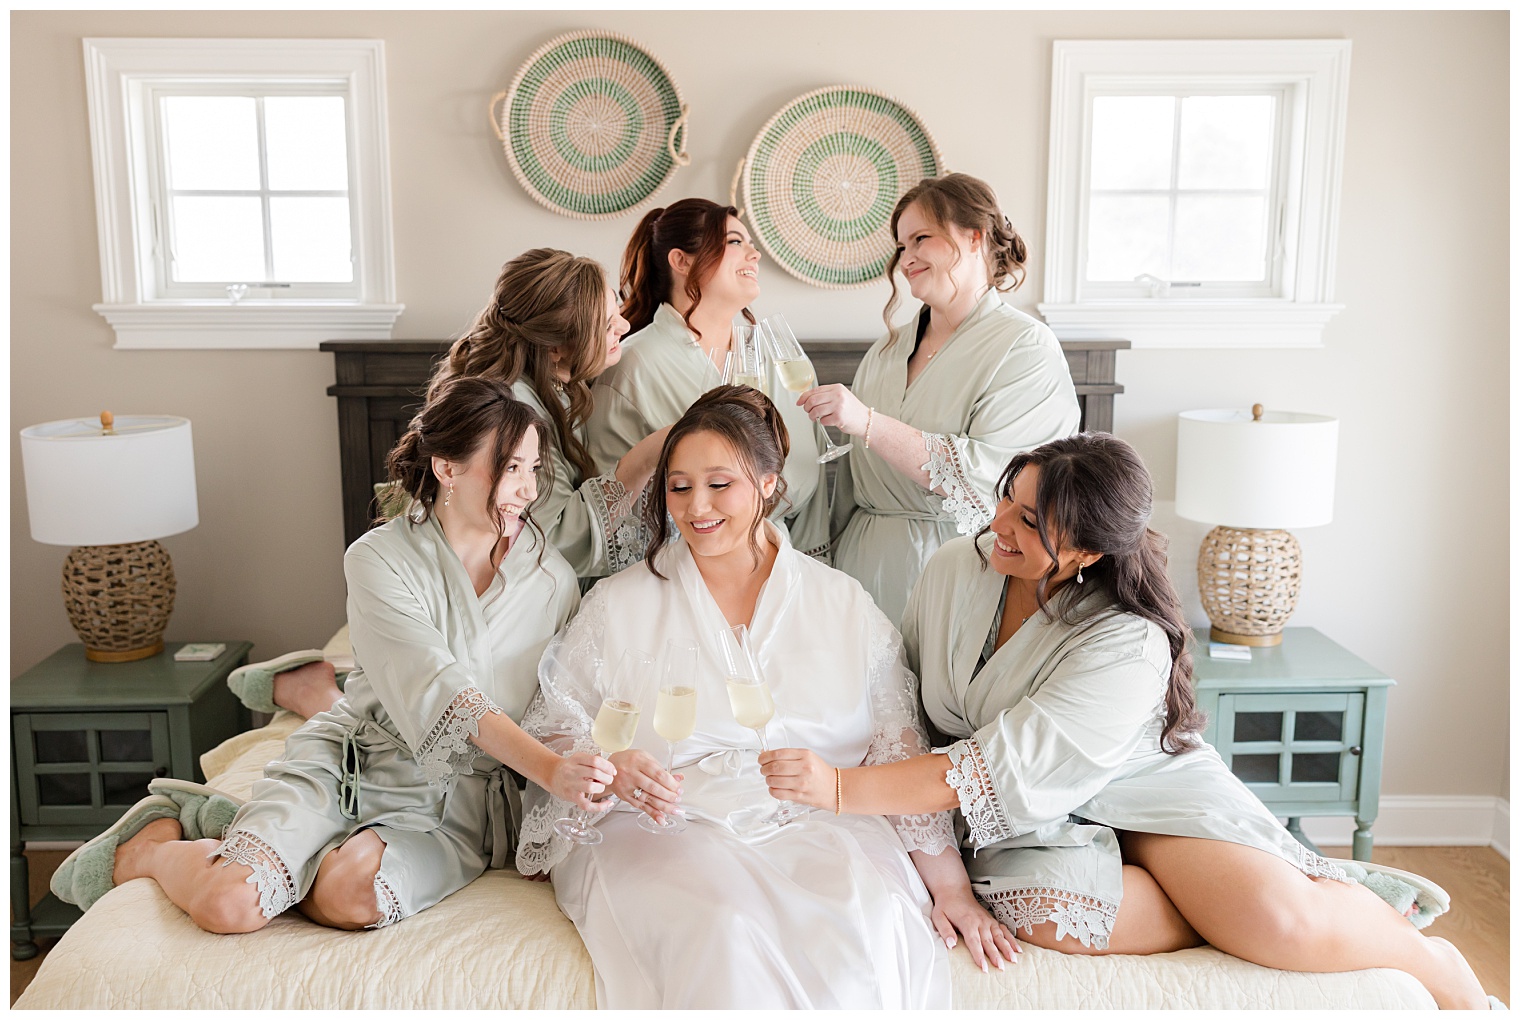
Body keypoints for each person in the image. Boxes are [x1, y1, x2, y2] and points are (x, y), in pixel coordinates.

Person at [758, 433, 1493, 1009]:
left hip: (1142, 790)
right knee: (1043, 913)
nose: (998, 525)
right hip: (1028, 804)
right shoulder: (956, 567)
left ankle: (1429, 959)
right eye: (1007, 498)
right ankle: (1221, 896)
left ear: (1086, 552)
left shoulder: (1126, 638)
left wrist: (843, 791)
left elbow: (989, 770)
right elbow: (910, 695)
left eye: (1029, 521)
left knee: (1279, 924)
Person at [51, 378, 615, 932]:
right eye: (511, 468)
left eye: (534, 469)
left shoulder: (552, 579)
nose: (528, 490)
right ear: (447, 467)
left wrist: (554, 812)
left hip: (456, 802)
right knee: (229, 905)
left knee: (349, 897)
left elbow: (557, 705)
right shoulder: (379, 558)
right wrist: (551, 770)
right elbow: (439, 686)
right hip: (357, 761)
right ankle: (154, 845)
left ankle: (260, 813)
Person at [516, 386, 1017, 1008]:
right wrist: (609, 769)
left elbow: (896, 752)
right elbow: (556, 723)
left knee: (871, 923)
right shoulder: (619, 603)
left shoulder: (842, 604)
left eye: (719, 484)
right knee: (724, 928)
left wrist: (950, 889)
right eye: (678, 487)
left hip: (818, 821)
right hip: (664, 823)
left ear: (769, 484)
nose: (696, 507)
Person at [227, 249, 670, 720]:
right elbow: (552, 539)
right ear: (557, 346)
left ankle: (329, 683)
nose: (623, 325)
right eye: (605, 322)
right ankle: (314, 693)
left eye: (616, 310)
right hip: (466, 583)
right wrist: (645, 457)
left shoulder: (548, 389)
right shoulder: (515, 410)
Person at [798, 173, 1081, 625]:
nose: (905, 259)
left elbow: (997, 478)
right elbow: (849, 485)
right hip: (860, 571)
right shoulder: (887, 349)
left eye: (920, 239)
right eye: (901, 247)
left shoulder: (1025, 347)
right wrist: (822, 572)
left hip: (957, 573)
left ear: (974, 237)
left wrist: (869, 421)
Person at [587, 198, 830, 558]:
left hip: (784, 574)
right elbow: (615, 516)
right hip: (675, 577)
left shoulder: (781, 358)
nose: (755, 254)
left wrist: (812, 577)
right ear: (681, 261)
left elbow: (815, 488)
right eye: (735, 242)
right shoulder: (632, 367)